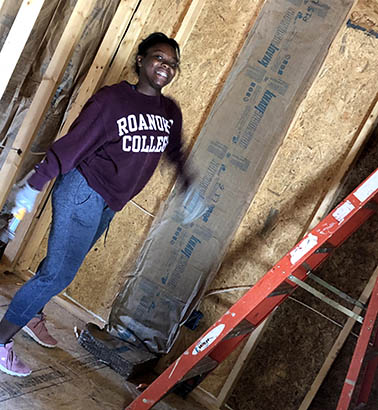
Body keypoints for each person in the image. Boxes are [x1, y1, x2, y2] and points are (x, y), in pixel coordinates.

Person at [0, 32, 192, 377]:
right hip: (82, 191)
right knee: (57, 273)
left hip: (108, 203)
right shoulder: (112, 101)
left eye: (173, 63)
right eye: (159, 58)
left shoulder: (169, 110)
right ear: (141, 59)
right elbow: (72, 146)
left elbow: (174, 151)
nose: (166, 67)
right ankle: (1, 341)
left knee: (59, 266)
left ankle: (31, 313)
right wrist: (34, 184)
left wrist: (189, 185)